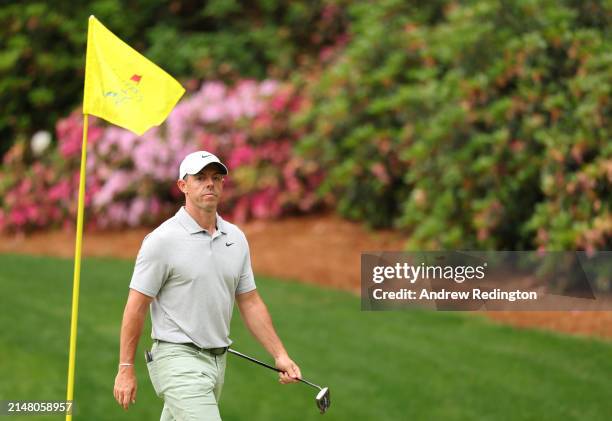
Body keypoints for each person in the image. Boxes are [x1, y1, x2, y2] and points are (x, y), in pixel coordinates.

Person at [113, 151, 301, 420]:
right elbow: (136, 306)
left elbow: (249, 301)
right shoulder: (162, 241)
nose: (209, 183)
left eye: (216, 177)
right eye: (199, 178)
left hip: (217, 363)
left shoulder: (235, 238)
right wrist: (125, 367)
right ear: (183, 186)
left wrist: (280, 355)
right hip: (176, 359)